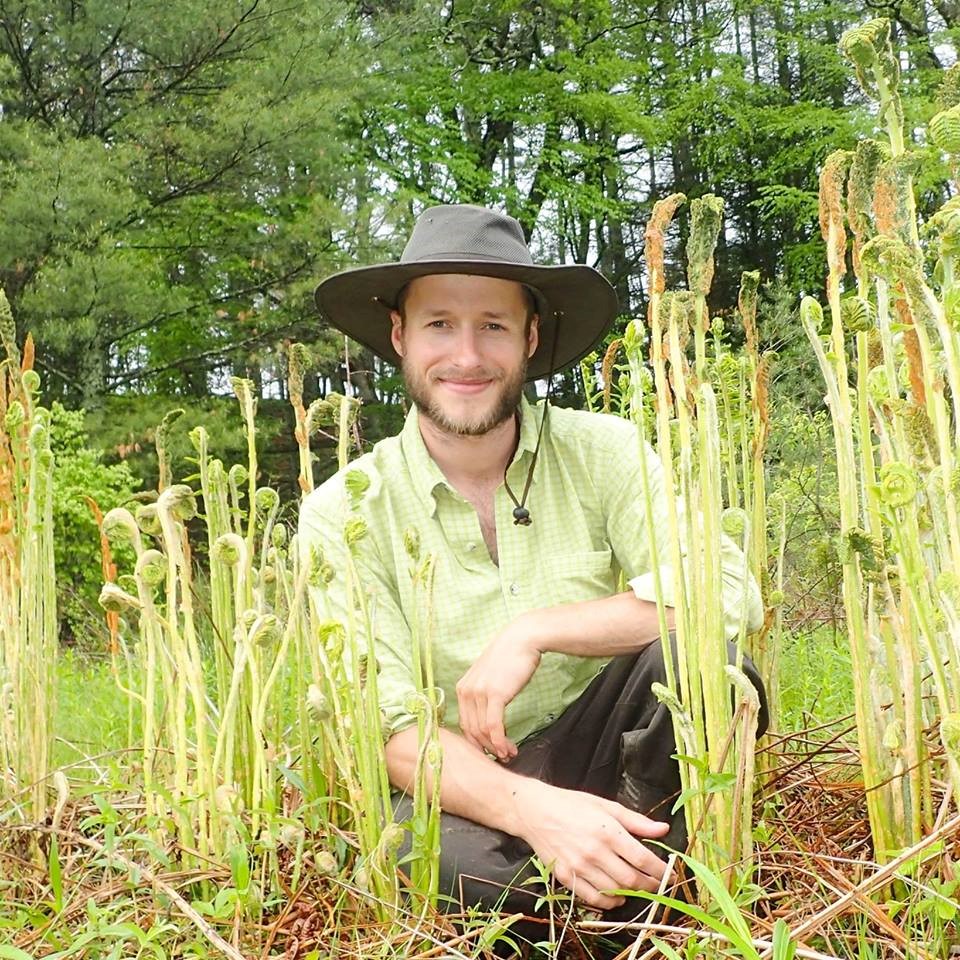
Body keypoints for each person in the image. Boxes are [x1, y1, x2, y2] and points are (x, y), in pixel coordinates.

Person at [300, 204, 766, 926]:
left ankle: (636, 867)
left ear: (530, 337)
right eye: (439, 325)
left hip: (610, 749)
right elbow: (392, 732)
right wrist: (537, 811)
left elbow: (723, 592)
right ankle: (628, 897)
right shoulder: (344, 513)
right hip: (466, 786)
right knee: (421, 857)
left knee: (711, 664)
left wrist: (537, 630)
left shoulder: (604, 451)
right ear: (399, 336)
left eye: (492, 324)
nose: (467, 356)